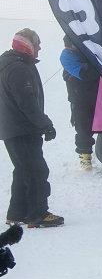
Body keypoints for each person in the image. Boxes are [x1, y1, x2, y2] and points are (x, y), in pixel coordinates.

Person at [3, 29, 60, 228]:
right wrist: (45, 124)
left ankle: (17, 214)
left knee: (23, 170)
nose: (40, 48)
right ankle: (38, 214)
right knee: (36, 171)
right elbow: (27, 102)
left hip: (13, 128)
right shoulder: (19, 68)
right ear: (28, 45)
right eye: (37, 44)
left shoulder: (8, 63)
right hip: (22, 129)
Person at [59, 38, 98, 171]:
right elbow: (85, 74)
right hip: (79, 99)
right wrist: (95, 66)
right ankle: (85, 156)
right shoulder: (67, 55)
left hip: (98, 97)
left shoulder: (90, 51)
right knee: (83, 128)